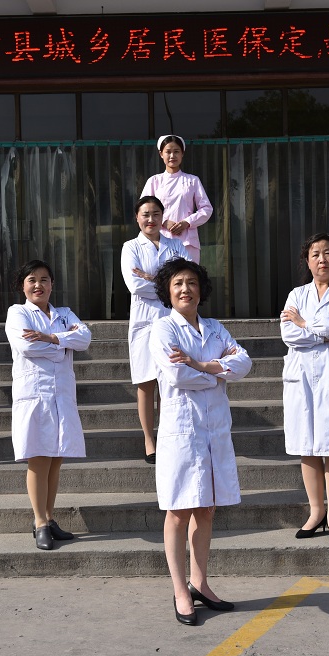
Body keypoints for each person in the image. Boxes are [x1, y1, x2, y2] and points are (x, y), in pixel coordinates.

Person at [150, 258, 251, 626]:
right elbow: (177, 375)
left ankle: (200, 583)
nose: (185, 289)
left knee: (207, 508)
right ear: (168, 290)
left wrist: (202, 365)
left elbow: (245, 362)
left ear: (200, 289)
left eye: (191, 283)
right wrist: (218, 372)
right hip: (182, 430)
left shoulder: (214, 327)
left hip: (214, 429)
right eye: (178, 283)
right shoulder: (163, 329)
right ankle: (180, 590)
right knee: (178, 510)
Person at [6, 260, 91, 551]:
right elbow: (27, 346)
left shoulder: (64, 313)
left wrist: (52, 338)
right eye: (31, 280)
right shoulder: (17, 313)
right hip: (35, 393)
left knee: (56, 458)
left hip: (61, 393)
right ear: (22, 286)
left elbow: (85, 338)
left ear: (52, 284)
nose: (38, 285)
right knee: (39, 457)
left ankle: (50, 517)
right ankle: (39, 521)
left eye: (44, 279)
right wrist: (63, 345)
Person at [281, 233, 329, 542]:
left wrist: (305, 323)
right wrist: (321, 330)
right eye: (315, 254)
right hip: (302, 378)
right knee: (308, 446)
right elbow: (288, 334)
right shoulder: (296, 294)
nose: (322, 259)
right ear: (307, 260)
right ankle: (316, 512)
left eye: (327, 253)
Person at [120, 195, 190, 464]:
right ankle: (149, 440)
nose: (151, 219)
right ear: (137, 218)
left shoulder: (176, 244)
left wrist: (153, 278)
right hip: (145, 321)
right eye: (145, 214)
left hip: (174, 320)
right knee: (146, 381)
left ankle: (170, 436)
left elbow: (188, 278)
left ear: (163, 217)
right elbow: (135, 285)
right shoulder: (130, 247)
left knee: (171, 380)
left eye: (156, 214)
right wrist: (168, 282)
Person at [141, 135, 213, 263]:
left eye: (176, 151)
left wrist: (187, 222)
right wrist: (163, 221)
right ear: (161, 154)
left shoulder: (192, 180)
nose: (172, 156)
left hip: (187, 241)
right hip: (160, 240)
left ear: (182, 154)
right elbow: (143, 210)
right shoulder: (154, 181)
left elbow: (206, 209)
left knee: (188, 274)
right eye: (168, 152)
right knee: (163, 275)